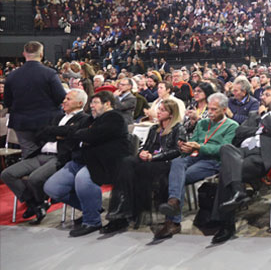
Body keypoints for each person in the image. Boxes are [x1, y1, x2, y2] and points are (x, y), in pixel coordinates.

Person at [211, 86, 271, 244]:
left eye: (268, 95)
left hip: (261, 156)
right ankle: (237, 191)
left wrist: (265, 116)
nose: (263, 97)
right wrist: (260, 129)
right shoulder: (253, 115)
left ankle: (226, 226)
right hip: (242, 152)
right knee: (226, 148)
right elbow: (240, 132)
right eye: (263, 94)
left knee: (226, 172)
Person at [43, 91, 131, 236]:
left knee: (83, 180)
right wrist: (79, 134)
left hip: (103, 163)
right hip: (81, 160)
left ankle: (92, 221)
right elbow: (74, 131)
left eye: (95, 103)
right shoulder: (90, 119)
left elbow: (91, 134)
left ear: (107, 104)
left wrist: (80, 134)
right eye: (91, 103)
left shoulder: (115, 117)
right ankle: (92, 208)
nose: (92, 106)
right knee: (52, 188)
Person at [155, 93, 238, 240]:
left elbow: (223, 149)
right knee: (177, 162)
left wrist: (199, 147)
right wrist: (186, 147)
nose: (210, 113)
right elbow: (193, 141)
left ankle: (172, 221)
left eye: (214, 110)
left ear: (224, 110)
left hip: (213, 161)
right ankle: (173, 202)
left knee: (179, 177)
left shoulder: (231, 126)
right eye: (209, 109)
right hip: (195, 156)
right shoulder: (202, 123)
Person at [1, 89, 90, 225]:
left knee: (35, 178)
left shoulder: (84, 118)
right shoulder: (58, 117)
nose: (64, 101)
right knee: (7, 174)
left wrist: (55, 132)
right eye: (65, 98)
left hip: (59, 157)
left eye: (68, 99)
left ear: (79, 103)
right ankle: (35, 204)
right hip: (40, 154)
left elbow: (72, 134)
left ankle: (39, 204)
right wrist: (59, 134)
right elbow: (41, 133)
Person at [101, 99, 186, 233]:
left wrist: (154, 157)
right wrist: (142, 153)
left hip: (165, 162)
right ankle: (119, 212)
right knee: (126, 163)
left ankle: (129, 212)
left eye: (163, 110)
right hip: (149, 159)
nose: (158, 112)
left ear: (171, 114)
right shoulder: (154, 128)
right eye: (159, 109)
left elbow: (177, 151)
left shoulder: (178, 128)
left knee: (139, 170)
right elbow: (145, 146)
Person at [4, 41, 67, 157]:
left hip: (21, 122)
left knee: (29, 155)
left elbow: (7, 102)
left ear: (24, 54)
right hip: (47, 121)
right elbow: (61, 97)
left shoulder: (12, 75)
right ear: (41, 54)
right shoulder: (50, 74)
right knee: (47, 155)